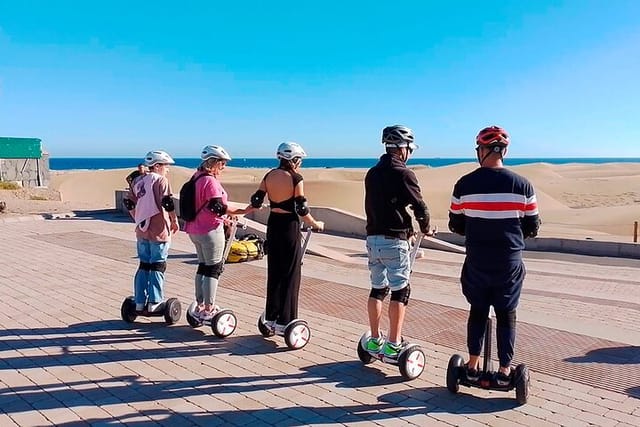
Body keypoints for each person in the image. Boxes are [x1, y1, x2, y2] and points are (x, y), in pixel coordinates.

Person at [448, 125, 541, 385]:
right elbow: (532, 227)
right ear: (504, 151)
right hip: (508, 261)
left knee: (477, 311)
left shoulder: (464, 184)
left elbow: (456, 224)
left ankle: (473, 365)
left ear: (483, 150)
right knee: (506, 313)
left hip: (477, 259)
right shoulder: (523, 185)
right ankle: (504, 371)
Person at [364, 125, 432, 359]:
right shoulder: (404, 173)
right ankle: (393, 344)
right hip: (395, 240)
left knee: (377, 289)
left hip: (372, 239)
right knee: (400, 291)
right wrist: (425, 227)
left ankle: (374, 341)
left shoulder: (372, 173)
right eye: (410, 148)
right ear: (403, 148)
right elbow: (419, 207)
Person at [250, 142, 324, 333]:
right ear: (293, 160)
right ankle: (286, 319)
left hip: (273, 224)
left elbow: (256, 200)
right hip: (289, 226)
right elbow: (302, 208)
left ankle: (271, 315)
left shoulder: (268, 176)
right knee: (291, 273)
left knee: (274, 272)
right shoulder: (296, 178)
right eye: (299, 160)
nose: (300, 164)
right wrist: (315, 224)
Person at [183, 145, 254, 320]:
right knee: (213, 269)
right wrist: (244, 211)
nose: (224, 167)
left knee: (203, 266)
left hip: (194, 229)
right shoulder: (210, 182)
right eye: (222, 163)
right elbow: (218, 207)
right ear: (214, 162)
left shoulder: (196, 178)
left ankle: (199, 304)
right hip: (210, 231)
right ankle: (209, 307)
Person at [126, 150, 179, 312]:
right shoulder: (161, 181)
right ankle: (155, 301)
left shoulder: (138, 181)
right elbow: (167, 202)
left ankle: (140, 300)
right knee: (157, 264)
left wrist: (137, 217)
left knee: (144, 264)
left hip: (142, 229)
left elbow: (129, 203)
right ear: (157, 166)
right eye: (165, 166)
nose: (167, 169)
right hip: (159, 229)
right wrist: (174, 220)